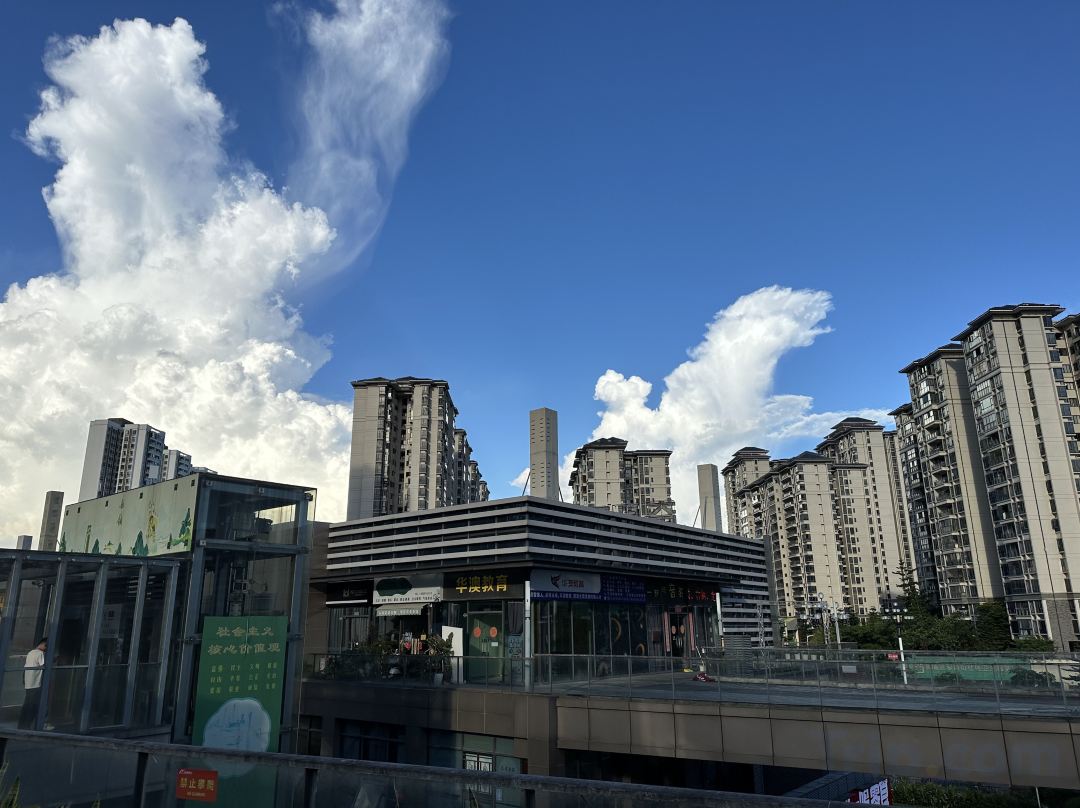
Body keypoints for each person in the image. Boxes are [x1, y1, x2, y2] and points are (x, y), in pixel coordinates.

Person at [19, 638, 47, 729]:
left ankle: (21, 725)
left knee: (27, 704)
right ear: (44, 645)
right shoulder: (40, 654)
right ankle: (28, 725)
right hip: (35, 683)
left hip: (28, 682)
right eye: (46, 647)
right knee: (33, 705)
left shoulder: (30, 652)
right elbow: (44, 665)